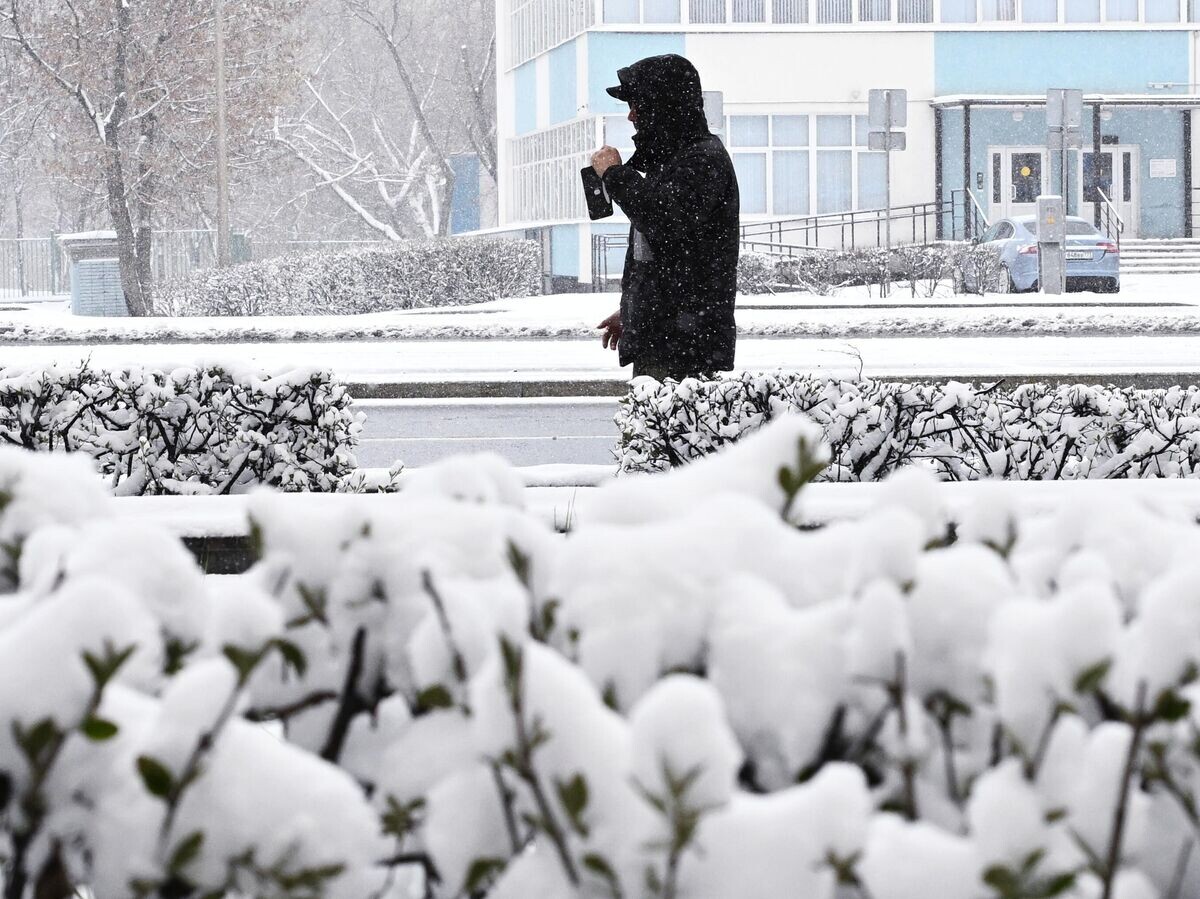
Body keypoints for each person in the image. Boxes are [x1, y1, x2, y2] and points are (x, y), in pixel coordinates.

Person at [591, 54, 739, 382]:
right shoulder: (673, 162)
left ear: (663, 107)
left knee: (663, 432)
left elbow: (663, 221)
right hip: (667, 338)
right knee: (649, 431)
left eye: (637, 106)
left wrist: (615, 175)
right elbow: (660, 256)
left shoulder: (702, 161)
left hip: (683, 345)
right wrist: (634, 311)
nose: (630, 116)